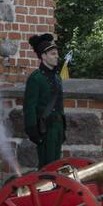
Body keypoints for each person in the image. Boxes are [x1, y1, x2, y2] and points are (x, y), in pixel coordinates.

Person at [24, 33, 65, 168]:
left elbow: (59, 105)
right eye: (53, 54)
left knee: (56, 166)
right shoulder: (36, 78)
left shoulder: (57, 78)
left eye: (56, 54)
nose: (56, 57)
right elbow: (29, 107)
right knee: (46, 167)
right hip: (44, 129)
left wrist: (62, 128)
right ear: (43, 56)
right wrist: (32, 130)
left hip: (57, 129)